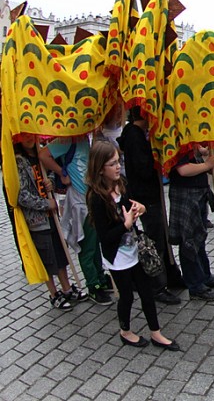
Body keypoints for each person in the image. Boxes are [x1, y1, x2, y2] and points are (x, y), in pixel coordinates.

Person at [86, 141, 180, 350]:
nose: (118, 166)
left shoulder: (121, 184)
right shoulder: (96, 198)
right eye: (112, 163)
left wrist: (140, 208)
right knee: (127, 296)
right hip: (117, 256)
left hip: (134, 249)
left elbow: (129, 206)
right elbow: (105, 236)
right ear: (100, 168)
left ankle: (156, 333)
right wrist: (125, 225)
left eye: (118, 161)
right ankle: (125, 331)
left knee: (147, 292)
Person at [118, 106, 183, 305]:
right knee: (155, 240)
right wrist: (156, 159)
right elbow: (143, 168)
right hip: (145, 196)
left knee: (160, 235)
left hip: (148, 194)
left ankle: (170, 275)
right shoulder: (135, 136)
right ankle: (157, 286)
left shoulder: (136, 134)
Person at [44, 136, 113, 305]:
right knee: (87, 246)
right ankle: (93, 285)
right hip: (80, 203)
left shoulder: (86, 138)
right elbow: (43, 155)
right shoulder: (66, 140)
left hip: (92, 199)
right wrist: (62, 172)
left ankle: (100, 278)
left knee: (95, 243)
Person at [14, 134, 78, 310]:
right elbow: (22, 195)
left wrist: (50, 182)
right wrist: (45, 204)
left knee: (60, 252)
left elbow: (49, 175)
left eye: (31, 135)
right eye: (24, 136)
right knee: (47, 258)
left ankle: (66, 287)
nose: (29, 139)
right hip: (37, 220)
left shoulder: (41, 154)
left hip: (52, 216)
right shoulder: (19, 162)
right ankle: (53, 293)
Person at [167, 144, 214, 301]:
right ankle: (195, 285)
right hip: (186, 194)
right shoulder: (178, 139)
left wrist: (205, 166)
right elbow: (183, 169)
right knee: (189, 241)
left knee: (199, 238)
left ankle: (204, 276)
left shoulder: (189, 140)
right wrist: (206, 165)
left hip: (197, 193)